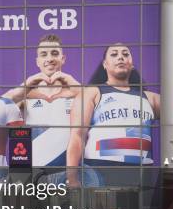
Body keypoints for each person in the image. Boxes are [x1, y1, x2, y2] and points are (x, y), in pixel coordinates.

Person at [66, 44, 161, 184]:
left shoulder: (151, 98)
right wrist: (72, 178)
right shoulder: (91, 93)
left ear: (132, 63)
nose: (120, 57)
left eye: (125, 54)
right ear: (105, 64)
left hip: (141, 173)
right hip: (100, 169)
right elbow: (77, 136)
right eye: (114, 54)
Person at [3, 34, 80, 167]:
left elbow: (96, 102)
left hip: (65, 170)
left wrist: (72, 82)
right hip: (34, 169)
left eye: (54, 53)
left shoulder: (75, 94)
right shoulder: (26, 95)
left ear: (63, 59)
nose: (49, 59)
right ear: (37, 61)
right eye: (44, 54)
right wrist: (26, 84)